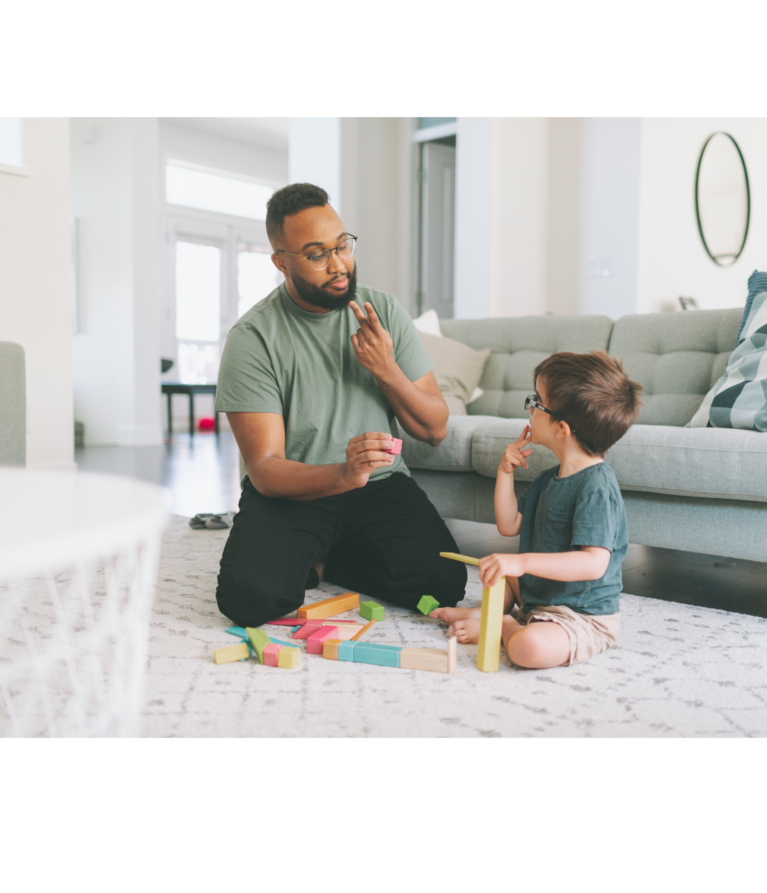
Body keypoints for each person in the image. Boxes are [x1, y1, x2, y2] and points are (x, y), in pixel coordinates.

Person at [214, 182, 466, 627]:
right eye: (317, 255)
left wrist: (386, 369)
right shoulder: (252, 338)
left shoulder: (383, 311)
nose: (339, 264)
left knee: (442, 584)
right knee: (249, 599)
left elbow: (434, 428)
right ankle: (317, 549)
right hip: (296, 488)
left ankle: (327, 561)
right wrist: (343, 474)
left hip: (379, 483)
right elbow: (266, 468)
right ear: (281, 262)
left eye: (342, 245)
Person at [431, 351, 643, 669]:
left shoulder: (596, 487)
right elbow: (509, 525)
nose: (530, 409)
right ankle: (489, 613)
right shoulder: (548, 479)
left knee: (527, 649)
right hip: (538, 596)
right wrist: (505, 472)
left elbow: (594, 564)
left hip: (579, 614)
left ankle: (502, 624)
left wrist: (522, 562)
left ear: (562, 429)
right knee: (503, 574)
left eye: (537, 402)